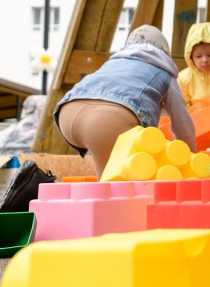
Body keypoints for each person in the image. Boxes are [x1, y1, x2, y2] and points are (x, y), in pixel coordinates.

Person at [55, 25, 196, 179]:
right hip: (106, 121)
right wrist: (189, 159)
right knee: (116, 186)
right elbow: (182, 121)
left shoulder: (115, 61)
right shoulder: (164, 70)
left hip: (66, 113)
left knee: (104, 172)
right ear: (165, 52)